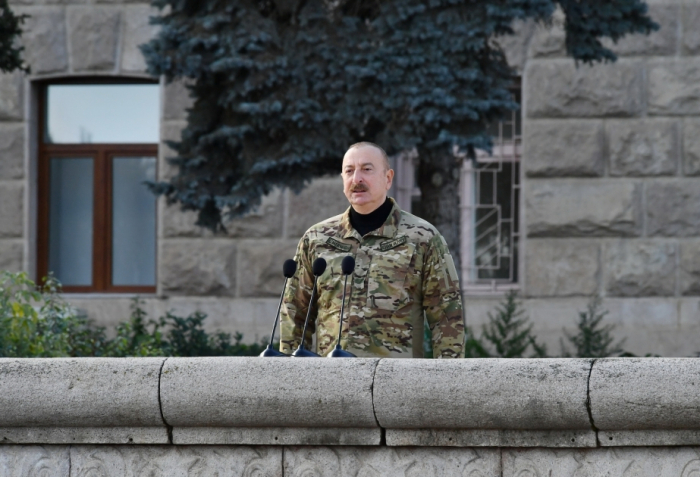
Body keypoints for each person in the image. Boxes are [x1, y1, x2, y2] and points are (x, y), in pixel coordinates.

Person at [279, 142, 464, 358]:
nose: (357, 179)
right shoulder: (317, 239)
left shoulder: (422, 237)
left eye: (367, 169)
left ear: (388, 178)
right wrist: (289, 373)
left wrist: (444, 383)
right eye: (349, 171)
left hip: (397, 382)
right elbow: (295, 312)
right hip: (331, 381)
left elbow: (447, 316)